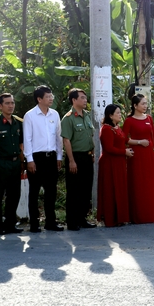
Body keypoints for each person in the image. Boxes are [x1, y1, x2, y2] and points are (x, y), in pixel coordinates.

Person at [23, 85, 63, 232]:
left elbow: (58, 137)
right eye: (47, 96)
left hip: (51, 157)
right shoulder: (30, 115)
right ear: (39, 99)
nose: (51, 98)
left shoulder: (55, 114)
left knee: (51, 191)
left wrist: (59, 156)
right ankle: (34, 223)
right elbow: (27, 139)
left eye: (51, 95)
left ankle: (50, 222)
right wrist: (29, 160)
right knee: (34, 192)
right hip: (36, 158)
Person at [122, 94, 154, 224]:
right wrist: (139, 142)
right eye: (143, 104)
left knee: (150, 184)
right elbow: (124, 139)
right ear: (135, 106)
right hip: (136, 156)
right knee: (137, 184)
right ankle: (138, 215)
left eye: (146, 103)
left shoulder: (149, 119)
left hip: (148, 155)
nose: (145, 106)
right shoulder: (129, 121)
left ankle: (153, 214)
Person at [0, 93, 25, 236]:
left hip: (15, 164)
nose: (11, 106)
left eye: (12, 103)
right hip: (0, 163)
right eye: (7, 103)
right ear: (0, 106)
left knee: (14, 195)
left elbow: (21, 144)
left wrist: (22, 162)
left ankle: (10, 224)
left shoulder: (18, 122)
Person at [61, 88, 96, 231]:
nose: (85, 100)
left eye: (85, 97)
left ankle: (82, 218)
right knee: (74, 191)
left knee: (86, 190)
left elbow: (90, 136)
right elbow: (67, 141)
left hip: (88, 157)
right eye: (82, 97)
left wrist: (92, 151)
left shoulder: (87, 116)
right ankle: (72, 221)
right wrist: (71, 161)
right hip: (75, 157)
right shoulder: (68, 118)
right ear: (74, 100)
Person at [96, 104, 133, 227]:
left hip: (119, 162)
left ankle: (120, 217)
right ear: (110, 115)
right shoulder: (106, 129)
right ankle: (110, 218)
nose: (120, 114)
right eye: (117, 112)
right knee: (110, 190)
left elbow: (124, 141)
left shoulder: (117, 127)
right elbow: (109, 148)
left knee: (120, 188)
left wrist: (138, 143)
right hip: (109, 163)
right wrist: (124, 152)